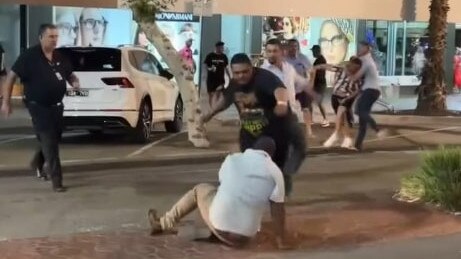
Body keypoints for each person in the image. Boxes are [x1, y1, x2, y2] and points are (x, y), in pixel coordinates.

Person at [148, 137, 289, 249]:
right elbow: (278, 211)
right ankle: (215, 232)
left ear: (253, 148)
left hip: (219, 225)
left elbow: (223, 183)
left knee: (200, 190)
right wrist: (281, 241)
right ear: (270, 155)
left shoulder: (234, 159)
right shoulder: (276, 173)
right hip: (245, 238)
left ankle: (163, 223)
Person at [200, 53, 306, 196]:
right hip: (250, 130)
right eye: (237, 73)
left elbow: (280, 90)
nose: (241, 76)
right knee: (251, 166)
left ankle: (280, 186)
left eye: (245, 72)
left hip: (274, 128)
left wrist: (281, 104)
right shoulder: (234, 83)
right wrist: (208, 114)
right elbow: (225, 100)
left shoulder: (264, 77)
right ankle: (256, 194)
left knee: (280, 165)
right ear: (232, 71)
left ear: (252, 68)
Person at [1, 24, 80, 192]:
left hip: (57, 106)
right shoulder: (29, 56)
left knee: (55, 138)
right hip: (38, 106)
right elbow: (11, 77)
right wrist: (6, 102)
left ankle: (37, 163)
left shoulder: (59, 56)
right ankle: (57, 181)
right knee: (49, 142)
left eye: (56, 37)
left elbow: (70, 73)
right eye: (51, 37)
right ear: (41, 37)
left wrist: (74, 82)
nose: (54, 40)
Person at [318, 57, 363, 149]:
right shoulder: (342, 68)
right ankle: (347, 138)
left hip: (347, 97)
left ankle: (335, 134)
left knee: (340, 112)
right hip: (335, 95)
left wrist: (348, 98)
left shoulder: (358, 76)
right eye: (354, 67)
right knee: (342, 119)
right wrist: (319, 66)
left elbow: (358, 90)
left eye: (357, 68)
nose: (355, 69)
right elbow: (329, 66)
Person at [350, 41, 386, 151]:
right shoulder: (364, 60)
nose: (359, 49)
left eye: (361, 47)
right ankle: (358, 145)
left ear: (367, 48)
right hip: (370, 90)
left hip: (371, 90)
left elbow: (356, 76)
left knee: (359, 111)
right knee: (362, 117)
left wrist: (347, 73)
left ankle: (377, 130)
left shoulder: (367, 61)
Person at [285, 39, 314, 138]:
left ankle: (309, 130)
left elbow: (312, 71)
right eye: (291, 46)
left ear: (298, 47)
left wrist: (311, 83)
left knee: (306, 109)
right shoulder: (284, 59)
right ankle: (288, 130)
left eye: (295, 46)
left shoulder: (303, 58)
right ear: (287, 47)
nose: (293, 48)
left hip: (302, 87)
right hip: (289, 88)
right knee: (288, 110)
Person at [204, 41, 230, 107]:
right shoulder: (210, 56)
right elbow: (205, 66)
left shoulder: (224, 57)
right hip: (211, 79)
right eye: (221, 47)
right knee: (211, 95)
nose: (222, 49)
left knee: (219, 94)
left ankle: (215, 107)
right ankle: (211, 108)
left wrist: (229, 76)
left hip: (220, 79)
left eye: (222, 47)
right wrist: (209, 69)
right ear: (217, 48)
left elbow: (226, 68)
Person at [311, 45, 329, 127]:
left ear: (316, 51)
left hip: (320, 84)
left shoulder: (320, 60)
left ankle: (326, 119)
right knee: (309, 101)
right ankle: (310, 119)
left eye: (313, 51)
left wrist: (312, 83)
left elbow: (318, 74)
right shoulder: (319, 60)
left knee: (319, 102)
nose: (312, 53)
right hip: (317, 83)